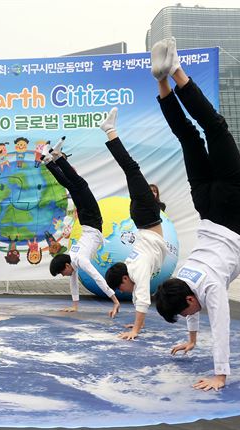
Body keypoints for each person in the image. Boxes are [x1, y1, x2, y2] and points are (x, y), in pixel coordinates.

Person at [151, 37, 240, 391]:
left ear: (192, 300)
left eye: (184, 313)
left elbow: (220, 325)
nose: (187, 317)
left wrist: (219, 374)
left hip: (231, 207)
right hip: (206, 208)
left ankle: (176, 69)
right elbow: (188, 301)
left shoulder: (207, 289)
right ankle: (164, 80)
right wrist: (192, 341)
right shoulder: (184, 277)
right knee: (191, 139)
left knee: (215, 129)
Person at [101, 108, 168, 340]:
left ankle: (109, 130)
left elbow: (142, 300)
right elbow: (141, 299)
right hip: (144, 217)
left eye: (121, 288)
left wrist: (137, 329)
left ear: (124, 279)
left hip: (146, 216)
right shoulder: (133, 267)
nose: (123, 291)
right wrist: (136, 326)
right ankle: (109, 130)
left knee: (131, 168)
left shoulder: (136, 269)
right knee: (131, 169)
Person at [44, 137, 121, 317]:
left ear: (65, 265)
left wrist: (115, 301)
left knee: (79, 185)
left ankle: (57, 158)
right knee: (73, 186)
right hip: (88, 222)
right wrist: (75, 306)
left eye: (63, 273)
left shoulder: (79, 260)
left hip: (92, 221)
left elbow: (97, 277)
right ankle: (50, 161)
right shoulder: (72, 256)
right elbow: (73, 283)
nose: (67, 276)